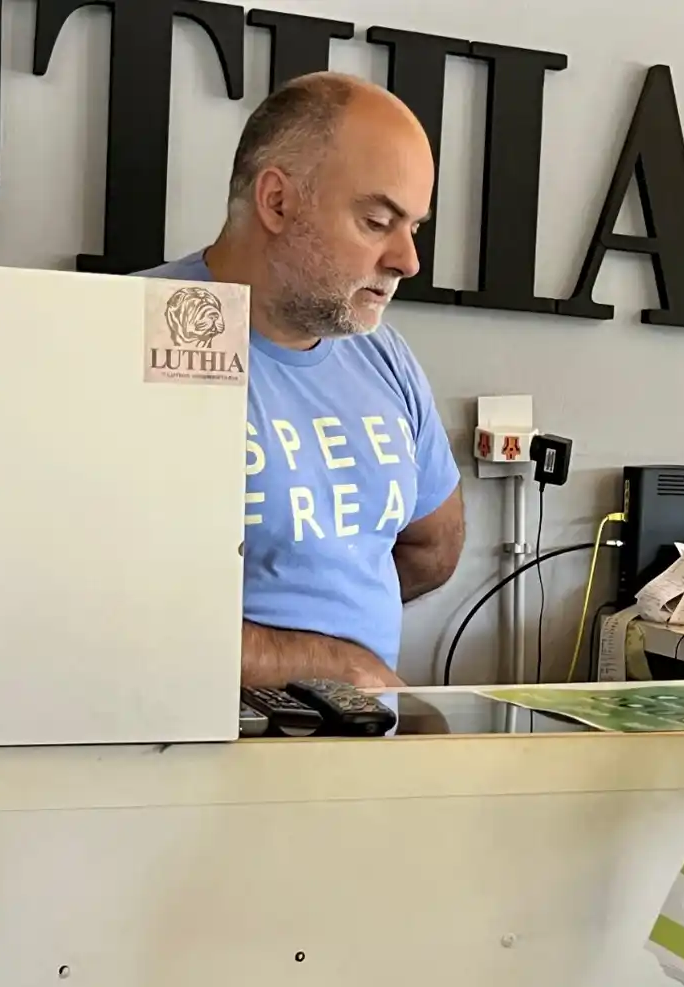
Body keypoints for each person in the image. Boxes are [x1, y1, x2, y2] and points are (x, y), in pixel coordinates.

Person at [142, 73, 465, 689]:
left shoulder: (386, 357)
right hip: (175, 759)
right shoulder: (123, 335)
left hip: (354, 760)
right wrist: (328, 663)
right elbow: (80, 599)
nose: (407, 260)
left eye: (413, 229)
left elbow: (432, 547)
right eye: (377, 221)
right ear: (278, 202)